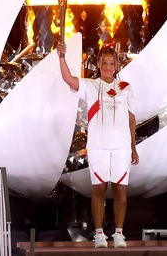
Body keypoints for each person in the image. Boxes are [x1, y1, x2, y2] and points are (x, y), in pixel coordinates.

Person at [56, 41, 139, 248]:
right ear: (99, 64)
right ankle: (100, 234)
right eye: (105, 63)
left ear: (117, 65)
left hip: (121, 147)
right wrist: (62, 57)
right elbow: (68, 79)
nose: (108, 67)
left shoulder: (126, 89)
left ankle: (119, 234)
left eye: (112, 63)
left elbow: (131, 119)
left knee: (120, 191)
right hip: (98, 147)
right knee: (99, 190)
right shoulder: (90, 86)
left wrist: (134, 147)